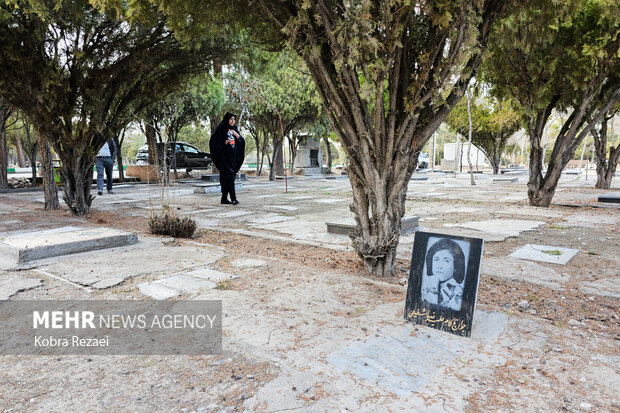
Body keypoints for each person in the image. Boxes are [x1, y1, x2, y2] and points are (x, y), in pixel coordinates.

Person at [209, 112, 245, 205]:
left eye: (234, 119)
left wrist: (236, 135)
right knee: (230, 175)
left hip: (232, 159)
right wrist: (224, 142)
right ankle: (233, 198)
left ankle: (224, 198)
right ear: (227, 119)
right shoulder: (221, 129)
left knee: (227, 179)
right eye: (231, 119)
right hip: (223, 159)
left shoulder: (235, 129)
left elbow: (241, 142)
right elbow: (214, 142)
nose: (233, 121)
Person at [420, 238, 466, 311]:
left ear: (456, 265)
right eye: (436, 259)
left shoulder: (459, 294)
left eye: (446, 261)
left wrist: (433, 291)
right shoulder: (424, 288)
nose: (439, 266)